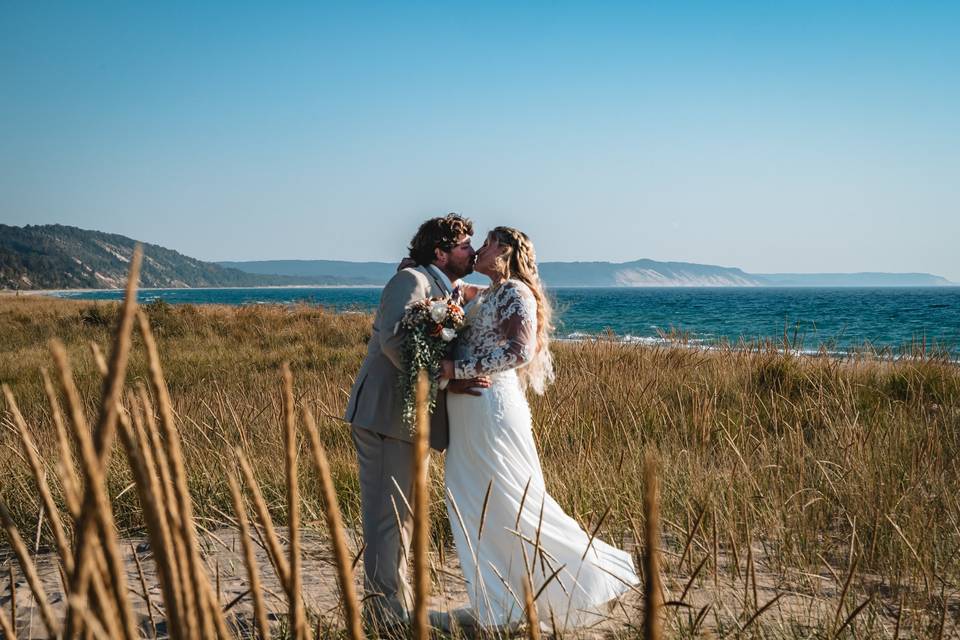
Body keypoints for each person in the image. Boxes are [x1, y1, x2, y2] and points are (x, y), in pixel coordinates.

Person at [439, 226, 639, 631]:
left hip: (491, 408)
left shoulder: (516, 293)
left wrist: (455, 370)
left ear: (506, 252)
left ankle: (580, 577)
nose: (479, 249)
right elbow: (453, 291)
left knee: (511, 499)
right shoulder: (490, 292)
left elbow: (519, 351)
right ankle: (496, 601)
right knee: (473, 500)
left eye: (488, 243)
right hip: (467, 412)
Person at [343, 213, 491, 629]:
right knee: (388, 518)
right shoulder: (412, 282)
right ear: (440, 253)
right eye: (464, 245)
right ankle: (385, 617)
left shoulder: (446, 288)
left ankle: (395, 609)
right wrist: (445, 378)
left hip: (409, 421)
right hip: (388, 416)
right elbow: (394, 340)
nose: (472, 251)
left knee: (402, 517)